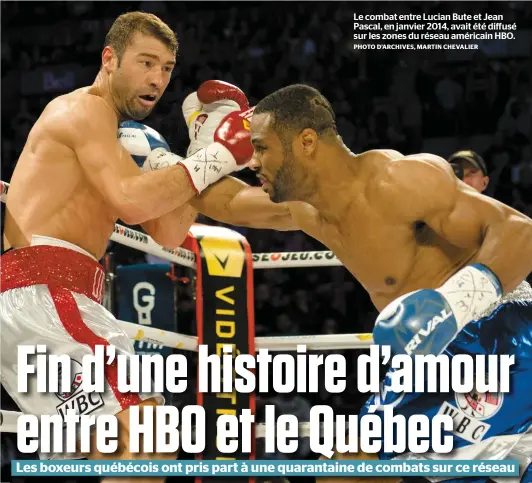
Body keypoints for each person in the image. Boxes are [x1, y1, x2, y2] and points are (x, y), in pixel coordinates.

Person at [186, 84, 532, 483]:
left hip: (492, 331)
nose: (251, 161)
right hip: (429, 357)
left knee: (348, 468)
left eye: (261, 147)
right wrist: (199, 147)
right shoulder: (306, 209)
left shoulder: (398, 180)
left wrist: (451, 306)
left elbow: (518, 231)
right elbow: (225, 203)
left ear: (307, 141)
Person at [1, 11, 252, 480]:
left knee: (129, 443)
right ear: (110, 58)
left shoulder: (114, 140)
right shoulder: (84, 110)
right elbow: (131, 204)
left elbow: (167, 232)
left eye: (167, 68)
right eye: (146, 62)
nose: (157, 79)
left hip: (58, 302)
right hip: (45, 293)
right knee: (147, 429)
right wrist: (224, 153)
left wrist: (204, 152)